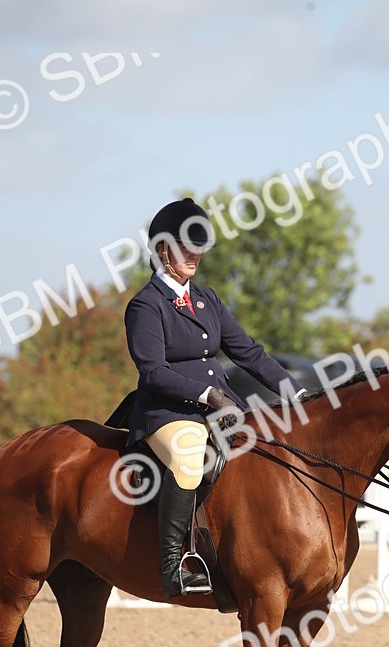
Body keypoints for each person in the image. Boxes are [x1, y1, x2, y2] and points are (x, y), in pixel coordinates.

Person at [124, 197, 307, 598]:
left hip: (218, 408)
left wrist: (298, 391)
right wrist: (209, 394)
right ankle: (174, 565)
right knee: (190, 457)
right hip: (167, 412)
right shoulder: (145, 305)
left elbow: (250, 353)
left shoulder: (208, 299)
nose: (194, 255)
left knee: (262, 451)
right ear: (162, 251)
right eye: (185, 247)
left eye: (198, 247)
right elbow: (153, 372)